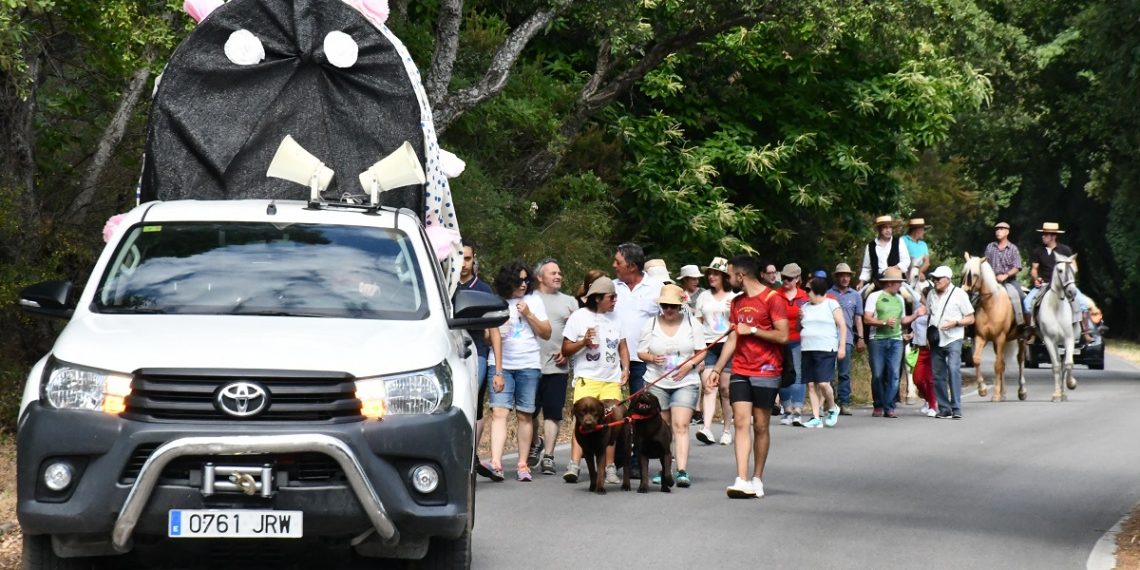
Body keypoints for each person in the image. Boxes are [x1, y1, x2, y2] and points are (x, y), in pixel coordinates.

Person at [708, 255, 788, 499]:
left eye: (730, 275)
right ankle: (741, 478)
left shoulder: (773, 299)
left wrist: (752, 330)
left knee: (761, 425)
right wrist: (717, 369)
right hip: (741, 369)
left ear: (741, 276)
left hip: (767, 370)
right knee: (741, 422)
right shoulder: (736, 303)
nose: (728, 279)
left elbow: (783, 336)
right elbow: (733, 338)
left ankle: (757, 478)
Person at [482, 261, 551, 482]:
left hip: (529, 363)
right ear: (508, 280)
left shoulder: (534, 300)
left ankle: (522, 463)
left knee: (525, 414)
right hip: (500, 364)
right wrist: (496, 331)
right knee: (499, 412)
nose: (523, 284)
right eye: (518, 280)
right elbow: (487, 337)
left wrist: (529, 315)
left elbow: (546, 333)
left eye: (526, 280)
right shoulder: (496, 302)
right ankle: (496, 462)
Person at [561, 276, 629, 484]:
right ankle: (574, 464)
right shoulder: (579, 317)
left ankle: (609, 468)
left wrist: (625, 368)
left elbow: (623, 347)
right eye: (611, 297)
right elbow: (565, 349)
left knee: (612, 423)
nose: (615, 300)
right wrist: (583, 341)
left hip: (611, 378)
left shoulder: (617, 317)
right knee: (582, 421)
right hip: (587, 378)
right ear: (598, 298)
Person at [638, 284, 705, 487]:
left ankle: (682, 469)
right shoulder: (650, 324)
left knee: (681, 425)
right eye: (665, 305)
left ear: (681, 306)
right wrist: (652, 358)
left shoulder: (693, 324)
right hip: (657, 381)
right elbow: (641, 352)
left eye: (673, 306)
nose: (668, 310)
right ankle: (665, 468)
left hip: (686, 380)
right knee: (663, 428)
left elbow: (702, 350)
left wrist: (689, 365)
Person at [613, 243, 663, 476]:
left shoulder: (656, 288)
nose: (614, 266)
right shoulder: (612, 287)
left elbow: (670, 319)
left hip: (643, 361)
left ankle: (636, 460)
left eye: (618, 262)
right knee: (614, 410)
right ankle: (615, 458)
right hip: (612, 360)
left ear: (631, 266)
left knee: (639, 412)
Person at [531, 258, 579, 475]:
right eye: (553, 273)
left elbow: (577, 334)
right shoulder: (528, 299)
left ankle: (548, 456)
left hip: (557, 366)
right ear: (540, 277)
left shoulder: (570, 302)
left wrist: (567, 352)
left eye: (559, 273)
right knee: (528, 413)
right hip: (529, 366)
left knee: (553, 413)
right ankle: (534, 443)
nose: (558, 276)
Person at [863, 267, 923, 418]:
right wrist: (883, 323)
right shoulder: (874, 297)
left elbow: (903, 321)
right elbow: (867, 318)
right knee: (877, 374)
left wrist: (916, 315)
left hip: (896, 340)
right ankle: (878, 404)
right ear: (890, 283)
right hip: (877, 340)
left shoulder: (900, 299)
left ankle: (889, 406)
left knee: (894, 374)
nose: (900, 286)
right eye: (898, 283)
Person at [460, 244, 498, 478]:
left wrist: (500, 367)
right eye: (459, 258)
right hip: (449, 350)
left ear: (474, 260)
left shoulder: (483, 289)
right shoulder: (444, 284)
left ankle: (471, 456)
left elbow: (492, 328)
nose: (463, 263)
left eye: (467, 258)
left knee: (474, 404)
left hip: (476, 352)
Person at [694, 257, 738, 445]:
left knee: (726, 389)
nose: (711, 277)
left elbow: (740, 323)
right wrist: (697, 351)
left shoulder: (735, 297)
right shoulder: (703, 296)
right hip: (708, 344)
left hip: (729, 344)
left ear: (724, 276)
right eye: (710, 273)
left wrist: (733, 311)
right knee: (708, 385)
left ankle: (727, 429)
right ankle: (707, 428)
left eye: (716, 274)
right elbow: (698, 322)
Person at [1024, 222, 1091, 343]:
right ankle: (1032, 333)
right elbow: (1034, 270)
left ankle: (1085, 333)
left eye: (1045, 235)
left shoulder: (1065, 250)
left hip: (1063, 285)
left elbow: (1074, 267)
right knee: (1027, 303)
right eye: (1043, 234)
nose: (1043, 237)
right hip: (1044, 284)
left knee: (1082, 304)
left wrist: (1068, 277)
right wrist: (1036, 278)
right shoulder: (1038, 251)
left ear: (1053, 236)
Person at [926, 266, 975, 419]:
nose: (935, 281)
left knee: (953, 369)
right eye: (934, 278)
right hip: (936, 339)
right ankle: (944, 408)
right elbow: (930, 315)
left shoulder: (959, 294)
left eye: (938, 279)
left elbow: (971, 318)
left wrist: (956, 323)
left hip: (954, 337)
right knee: (937, 374)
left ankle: (956, 407)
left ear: (948, 279)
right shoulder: (931, 295)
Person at [799, 277, 846, 428]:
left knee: (824, 383)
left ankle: (832, 407)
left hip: (826, 347)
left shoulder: (831, 304)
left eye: (808, 289)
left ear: (817, 290)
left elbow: (842, 326)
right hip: (807, 347)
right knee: (811, 384)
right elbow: (799, 328)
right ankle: (815, 416)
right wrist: (798, 320)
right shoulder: (805, 307)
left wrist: (842, 347)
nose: (806, 293)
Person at [826, 262, 864, 416]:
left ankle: (844, 402)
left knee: (844, 372)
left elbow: (858, 319)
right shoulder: (829, 294)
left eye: (847, 275)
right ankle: (829, 401)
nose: (844, 278)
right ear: (837, 277)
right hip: (828, 338)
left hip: (847, 338)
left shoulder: (855, 295)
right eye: (842, 275)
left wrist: (860, 337)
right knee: (828, 372)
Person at [776, 263, 808, 427]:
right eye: (783, 278)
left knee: (798, 373)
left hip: (798, 339)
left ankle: (797, 409)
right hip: (780, 340)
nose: (785, 281)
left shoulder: (804, 297)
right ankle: (786, 408)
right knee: (783, 375)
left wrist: (804, 317)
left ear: (797, 279)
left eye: (789, 278)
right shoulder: (775, 295)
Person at [984, 221, 1027, 335]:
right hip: (991, 281)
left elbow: (1017, 266)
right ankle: (971, 326)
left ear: (1007, 232)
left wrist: (1006, 275)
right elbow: (985, 263)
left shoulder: (1013, 248)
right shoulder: (990, 247)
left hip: (1009, 281)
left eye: (1001, 229)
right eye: (997, 229)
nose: (998, 231)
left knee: (1021, 297)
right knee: (975, 295)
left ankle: (1021, 325)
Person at [857, 215, 911, 293]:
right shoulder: (870, 246)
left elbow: (906, 261)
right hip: (877, 282)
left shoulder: (899, 242)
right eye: (885, 228)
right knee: (862, 296)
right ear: (879, 229)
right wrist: (861, 282)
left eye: (890, 227)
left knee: (911, 297)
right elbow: (867, 268)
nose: (888, 230)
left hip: (896, 281)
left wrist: (892, 269)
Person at [908, 286, 938, 417]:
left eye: (922, 296)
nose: (920, 298)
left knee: (929, 379)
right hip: (920, 348)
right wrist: (910, 335)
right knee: (917, 379)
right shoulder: (918, 310)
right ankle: (927, 400)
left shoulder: (936, 310)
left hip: (932, 349)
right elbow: (915, 328)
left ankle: (933, 405)